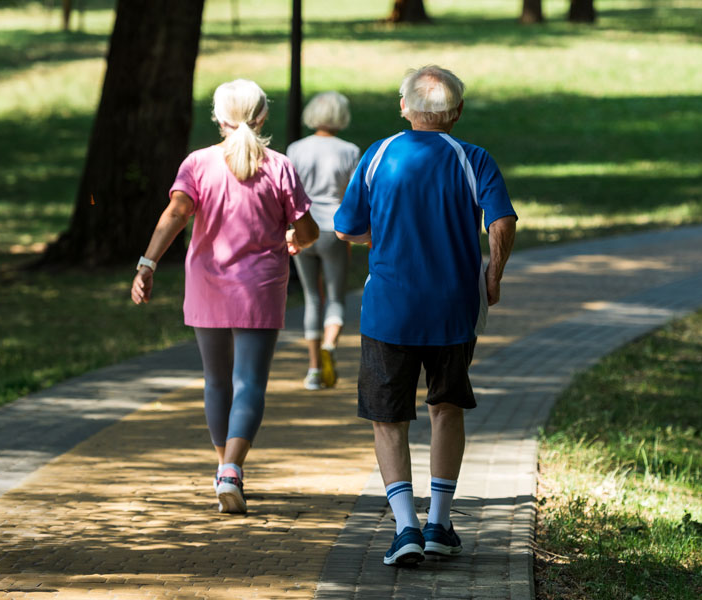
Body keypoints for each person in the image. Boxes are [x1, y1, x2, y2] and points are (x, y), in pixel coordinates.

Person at [334, 65, 517, 567]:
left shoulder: (378, 155)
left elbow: (347, 227)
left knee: (387, 418)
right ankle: (439, 522)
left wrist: (378, 236)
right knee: (446, 408)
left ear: (403, 107)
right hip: (454, 309)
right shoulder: (473, 158)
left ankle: (405, 528)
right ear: (457, 112)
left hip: (388, 311)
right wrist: (494, 276)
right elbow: (502, 220)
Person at [131, 79, 318, 514]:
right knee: (249, 382)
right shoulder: (279, 166)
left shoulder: (197, 163)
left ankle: (224, 469)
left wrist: (147, 263)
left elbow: (176, 213)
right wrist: (296, 238)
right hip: (260, 288)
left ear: (218, 118)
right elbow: (308, 229)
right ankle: (231, 470)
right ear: (263, 116)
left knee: (216, 380)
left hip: (208, 284)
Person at [286, 92, 361, 390]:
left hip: (303, 228)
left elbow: (289, 190)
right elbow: (354, 196)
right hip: (334, 230)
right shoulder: (350, 151)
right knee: (335, 297)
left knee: (311, 297)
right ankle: (330, 344)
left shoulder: (295, 149)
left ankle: (314, 369)